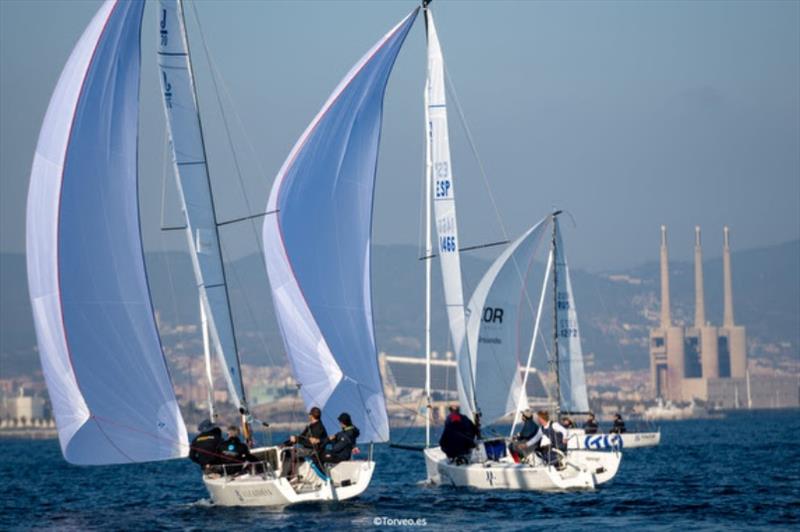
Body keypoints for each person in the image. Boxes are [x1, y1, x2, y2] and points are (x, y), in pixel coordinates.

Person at [280, 406, 328, 478]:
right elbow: (301, 437)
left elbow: (312, 444)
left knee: (289, 453)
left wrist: (297, 439)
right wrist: (285, 444)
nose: (309, 416)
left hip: (313, 451)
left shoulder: (319, 428)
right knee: (286, 451)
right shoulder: (311, 426)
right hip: (307, 449)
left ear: (311, 416)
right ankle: (288, 476)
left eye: (310, 415)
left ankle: (284, 477)